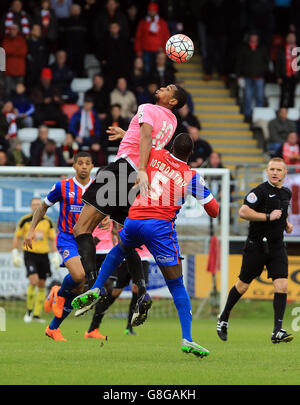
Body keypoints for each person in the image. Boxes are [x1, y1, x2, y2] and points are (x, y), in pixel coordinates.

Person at [72, 132, 219, 356]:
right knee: (177, 284)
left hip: (135, 218)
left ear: (170, 147)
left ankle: (95, 287)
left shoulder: (155, 154)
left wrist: (124, 134)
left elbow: (142, 145)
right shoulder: (192, 176)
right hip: (160, 227)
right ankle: (187, 338)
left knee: (119, 249)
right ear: (190, 154)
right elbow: (214, 210)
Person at [71, 84, 187, 327]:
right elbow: (150, 143)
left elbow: (145, 137)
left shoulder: (146, 107)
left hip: (123, 171)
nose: (162, 88)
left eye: (168, 88)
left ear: (173, 100)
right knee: (127, 239)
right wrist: (127, 135)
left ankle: (93, 288)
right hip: (135, 180)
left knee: (81, 229)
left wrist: (142, 169)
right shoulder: (172, 121)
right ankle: (143, 290)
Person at [23, 152, 104, 341]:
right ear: (74, 166)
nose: (84, 166)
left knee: (77, 288)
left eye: (87, 163)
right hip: (67, 238)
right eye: (80, 163)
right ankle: (58, 293)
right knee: (78, 276)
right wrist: (31, 229)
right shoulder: (62, 186)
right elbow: (43, 206)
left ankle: (53, 328)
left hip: (86, 240)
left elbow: (102, 210)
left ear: (92, 167)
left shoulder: (97, 188)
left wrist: (105, 219)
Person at [217, 157, 294, 344]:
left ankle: (277, 331)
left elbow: (280, 213)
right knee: (243, 285)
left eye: (278, 170)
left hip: (276, 246)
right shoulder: (258, 192)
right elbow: (243, 212)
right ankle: (223, 318)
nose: (275, 172)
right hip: (256, 246)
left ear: (285, 173)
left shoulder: (286, 193)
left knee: (282, 285)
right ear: (267, 171)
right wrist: (268, 217)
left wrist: (286, 223)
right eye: (272, 169)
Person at [85, 222, 150, 339]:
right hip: (125, 257)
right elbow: (118, 229)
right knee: (114, 292)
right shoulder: (123, 214)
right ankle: (95, 320)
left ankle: (129, 327)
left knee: (137, 289)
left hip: (143, 257)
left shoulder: (148, 216)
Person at [12, 197, 60, 323]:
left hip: (44, 255)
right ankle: (28, 311)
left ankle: (37, 315)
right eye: (34, 204)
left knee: (42, 284)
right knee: (33, 281)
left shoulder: (48, 221)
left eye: (38, 204)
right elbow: (17, 237)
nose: (36, 206)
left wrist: (55, 255)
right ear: (30, 207)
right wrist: (15, 252)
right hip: (30, 254)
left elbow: (52, 238)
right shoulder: (25, 220)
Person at [236, 33, 269, 122]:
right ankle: (248, 115)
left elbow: (266, 62)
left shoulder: (262, 48)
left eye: (255, 37)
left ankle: (258, 116)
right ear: (250, 38)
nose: (254, 38)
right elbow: (240, 62)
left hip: (259, 77)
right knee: (247, 97)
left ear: (257, 38)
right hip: (248, 77)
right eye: (252, 37)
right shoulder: (244, 48)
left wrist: (263, 72)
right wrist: (238, 75)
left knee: (259, 97)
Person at [134, 2, 170, 73]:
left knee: (158, 70)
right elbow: (138, 37)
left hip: (159, 51)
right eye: (150, 10)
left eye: (153, 10)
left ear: (156, 11)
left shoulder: (162, 22)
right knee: (147, 69)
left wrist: (164, 50)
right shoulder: (143, 22)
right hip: (145, 51)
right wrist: (138, 50)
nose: (151, 12)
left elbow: (166, 36)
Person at [1, 24, 28, 97]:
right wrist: (17, 50)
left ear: (18, 31)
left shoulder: (22, 40)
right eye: (11, 29)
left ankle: (18, 108)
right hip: (9, 71)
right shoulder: (6, 40)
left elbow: (24, 52)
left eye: (14, 29)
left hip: (19, 71)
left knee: (19, 92)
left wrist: (11, 52)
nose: (12, 31)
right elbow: (4, 51)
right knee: (8, 92)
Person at [276, 32, 300, 108]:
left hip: (294, 76)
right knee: (283, 94)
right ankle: (282, 111)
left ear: (295, 39)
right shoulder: (282, 49)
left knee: (292, 95)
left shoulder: (298, 50)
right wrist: (278, 76)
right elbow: (277, 64)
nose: (291, 38)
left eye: (293, 37)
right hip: (284, 75)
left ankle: (290, 112)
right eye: (289, 37)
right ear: (286, 39)